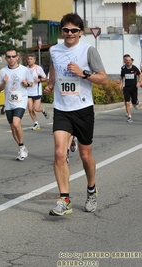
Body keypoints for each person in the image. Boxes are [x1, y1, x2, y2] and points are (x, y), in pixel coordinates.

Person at [44, 13, 108, 216]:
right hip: (62, 109)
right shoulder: (54, 50)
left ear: (80, 32)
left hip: (83, 109)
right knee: (59, 153)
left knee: (85, 155)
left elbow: (104, 78)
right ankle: (64, 199)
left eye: (74, 30)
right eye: (66, 30)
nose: (69, 33)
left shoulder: (88, 51)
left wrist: (83, 73)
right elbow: (54, 67)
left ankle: (91, 190)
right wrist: (51, 83)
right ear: (61, 31)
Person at [0, 49, 34, 161]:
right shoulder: (3, 71)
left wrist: (26, 83)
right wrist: (4, 82)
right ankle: (22, 147)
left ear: (17, 57)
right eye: (9, 57)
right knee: (13, 127)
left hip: (21, 100)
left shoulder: (24, 70)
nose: (11, 59)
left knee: (16, 123)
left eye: (13, 56)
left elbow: (31, 83)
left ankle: (22, 146)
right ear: (6, 58)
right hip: (9, 102)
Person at [26, 53, 49, 130]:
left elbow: (45, 78)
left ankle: (43, 110)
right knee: (30, 108)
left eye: (31, 59)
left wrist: (39, 80)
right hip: (28, 91)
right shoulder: (25, 69)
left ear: (34, 60)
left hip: (36, 91)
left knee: (36, 108)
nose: (29, 60)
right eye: (28, 59)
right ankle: (36, 123)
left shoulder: (38, 68)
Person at [120, 54, 141, 122]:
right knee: (127, 102)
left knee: (134, 103)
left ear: (131, 61)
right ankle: (129, 116)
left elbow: (140, 75)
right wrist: (121, 84)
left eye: (129, 60)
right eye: (127, 60)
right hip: (126, 88)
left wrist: (139, 82)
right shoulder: (123, 69)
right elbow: (122, 77)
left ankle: (136, 103)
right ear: (125, 61)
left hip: (134, 88)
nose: (128, 62)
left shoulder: (134, 68)